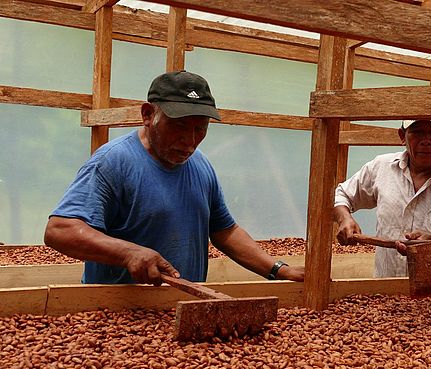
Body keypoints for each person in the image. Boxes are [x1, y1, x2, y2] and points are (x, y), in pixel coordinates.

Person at [44, 70, 304, 285]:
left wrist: (279, 270)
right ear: (148, 115)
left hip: (185, 307)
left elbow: (225, 230)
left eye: (200, 129)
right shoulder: (113, 162)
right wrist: (128, 253)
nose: (190, 142)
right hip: (118, 313)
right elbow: (60, 231)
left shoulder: (200, 165)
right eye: (179, 127)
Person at [333, 119, 431, 277]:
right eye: (417, 132)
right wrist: (344, 218)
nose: (426, 141)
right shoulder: (381, 167)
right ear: (402, 136)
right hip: (384, 288)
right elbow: (341, 194)